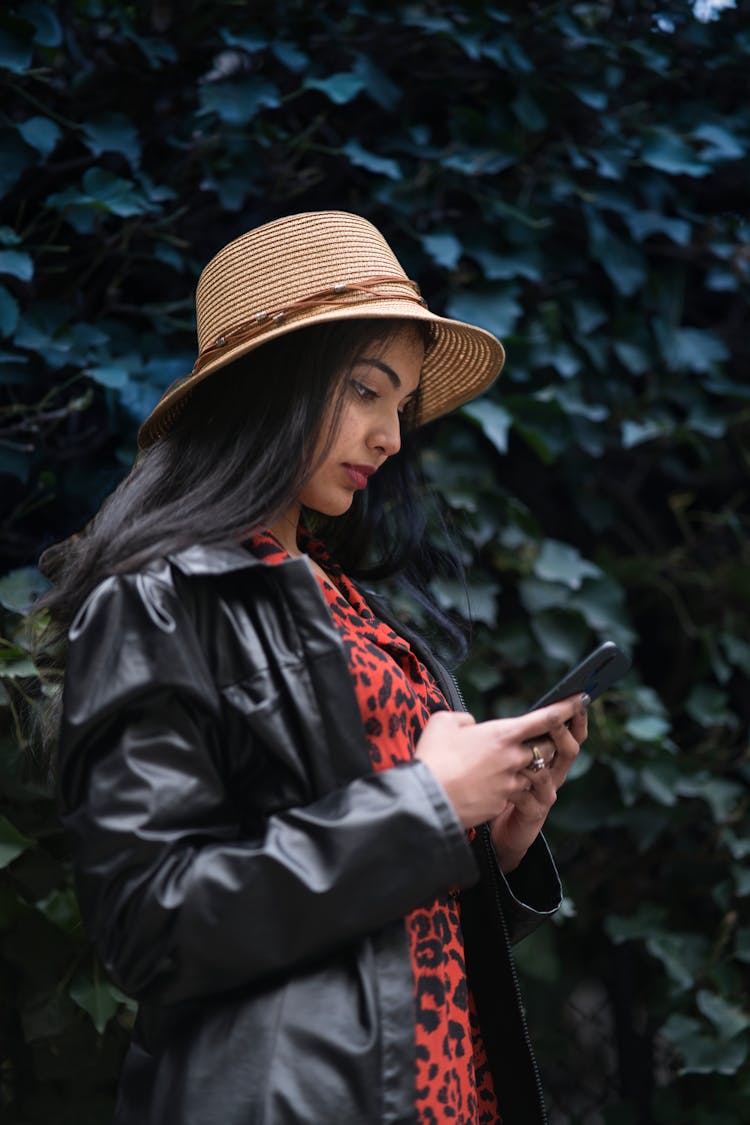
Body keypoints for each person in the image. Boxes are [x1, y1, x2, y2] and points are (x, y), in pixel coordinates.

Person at [44, 211, 588, 1125]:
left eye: (401, 406)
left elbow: (381, 923)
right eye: (366, 392)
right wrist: (428, 803)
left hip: (445, 1095)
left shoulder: (343, 603)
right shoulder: (159, 600)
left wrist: (490, 847)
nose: (391, 437)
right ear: (270, 386)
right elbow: (151, 924)